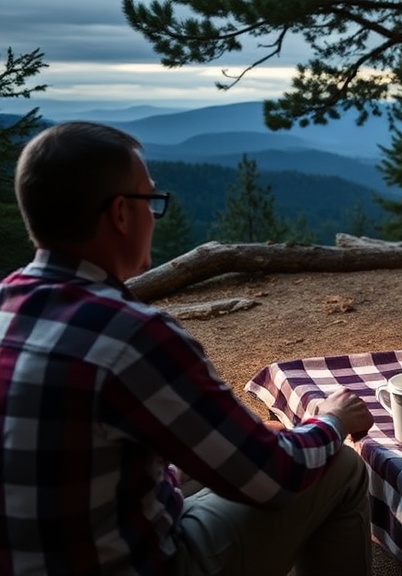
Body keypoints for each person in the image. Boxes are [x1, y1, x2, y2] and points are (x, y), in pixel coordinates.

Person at [0, 121, 375, 575]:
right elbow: (274, 477)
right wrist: (332, 421)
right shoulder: (131, 336)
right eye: (150, 201)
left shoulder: (8, 307)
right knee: (340, 469)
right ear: (121, 214)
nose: (153, 217)